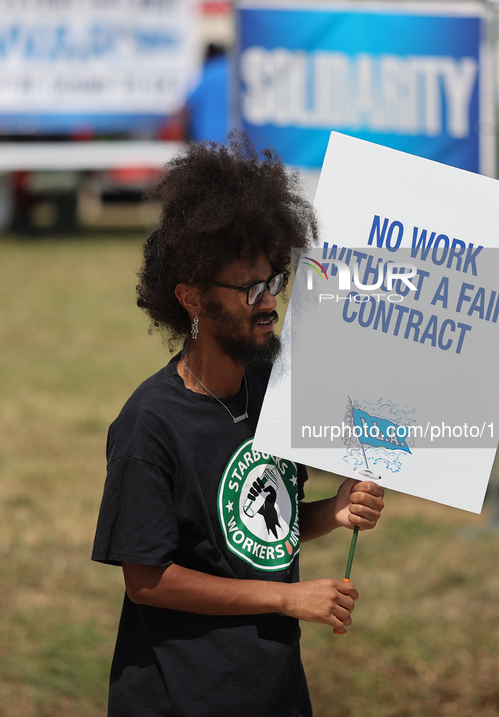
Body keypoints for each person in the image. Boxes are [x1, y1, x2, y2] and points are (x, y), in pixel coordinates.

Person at [92, 136, 384, 717]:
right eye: (249, 288)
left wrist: (335, 510)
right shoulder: (150, 425)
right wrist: (285, 598)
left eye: (273, 281)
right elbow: (146, 580)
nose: (268, 302)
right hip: (182, 698)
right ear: (191, 298)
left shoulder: (270, 388)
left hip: (275, 690)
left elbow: (263, 532)